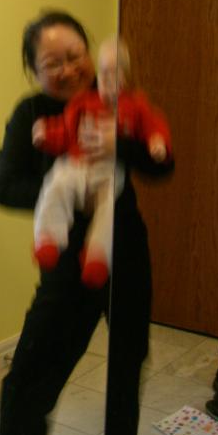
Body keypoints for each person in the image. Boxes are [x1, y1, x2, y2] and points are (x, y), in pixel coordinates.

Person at [0, 10, 174, 435]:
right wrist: (66, 189)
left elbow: (161, 166)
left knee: (126, 365)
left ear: (90, 54)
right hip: (66, 262)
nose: (68, 69)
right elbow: (6, 187)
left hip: (124, 251)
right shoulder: (31, 114)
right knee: (33, 366)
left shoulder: (118, 101)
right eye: (52, 62)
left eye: (75, 55)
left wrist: (122, 144)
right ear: (33, 71)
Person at [32, 37, 172, 289]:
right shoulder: (83, 102)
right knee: (57, 183)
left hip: (107, 171)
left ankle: (97, 256)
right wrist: (45, 135)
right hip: (76, 165)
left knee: (107, 206)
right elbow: (64, 131)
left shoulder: (136, 106)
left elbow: (154, 127)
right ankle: (48, 238)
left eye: (115, 75)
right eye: (104, 74)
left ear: (126, 78)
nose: (108, 82)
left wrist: (156, 143)